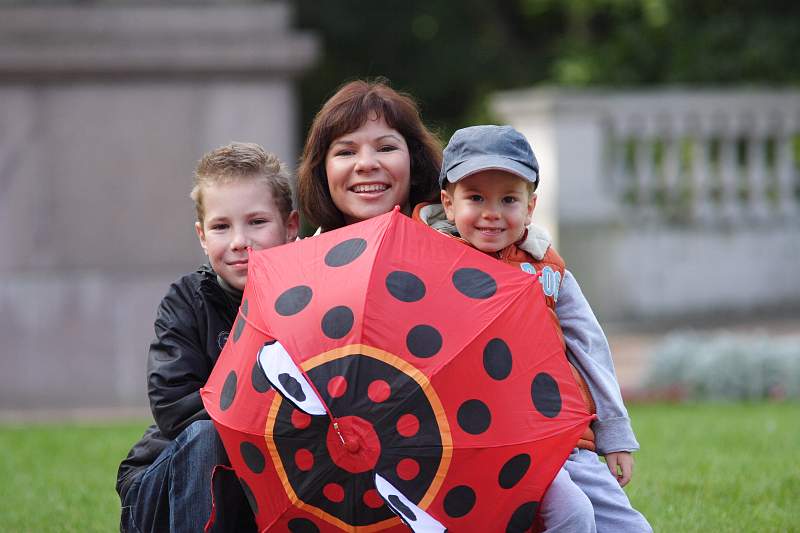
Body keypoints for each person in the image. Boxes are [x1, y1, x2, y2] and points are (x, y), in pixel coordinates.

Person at [416, 124, 652, 532]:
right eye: (475, 198)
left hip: (569, 436)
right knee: (572, 514)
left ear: (530, 206)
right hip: (504, 440)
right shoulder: (433, 267)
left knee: (630, 527)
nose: (492, 212)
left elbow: (589, 347)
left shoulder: (549, 271)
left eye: (508, 198)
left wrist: (614, 433)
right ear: (448, 204)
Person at [116, 142, 299, 533]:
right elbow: (172, 406)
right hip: (162, 489)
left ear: (291, 227)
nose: (239, 241)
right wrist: (268, 408)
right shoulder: (185, 301)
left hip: (257, 486)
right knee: (207, 433)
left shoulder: (310, 302)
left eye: (257, 222)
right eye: (221, 226)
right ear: (202, 235)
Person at [298, 78, 442, 232]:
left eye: (386, 148)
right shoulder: (302, 256)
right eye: (346, 152)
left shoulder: (461, 248)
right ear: (323, 172)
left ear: (416, 163)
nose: (366, 164)